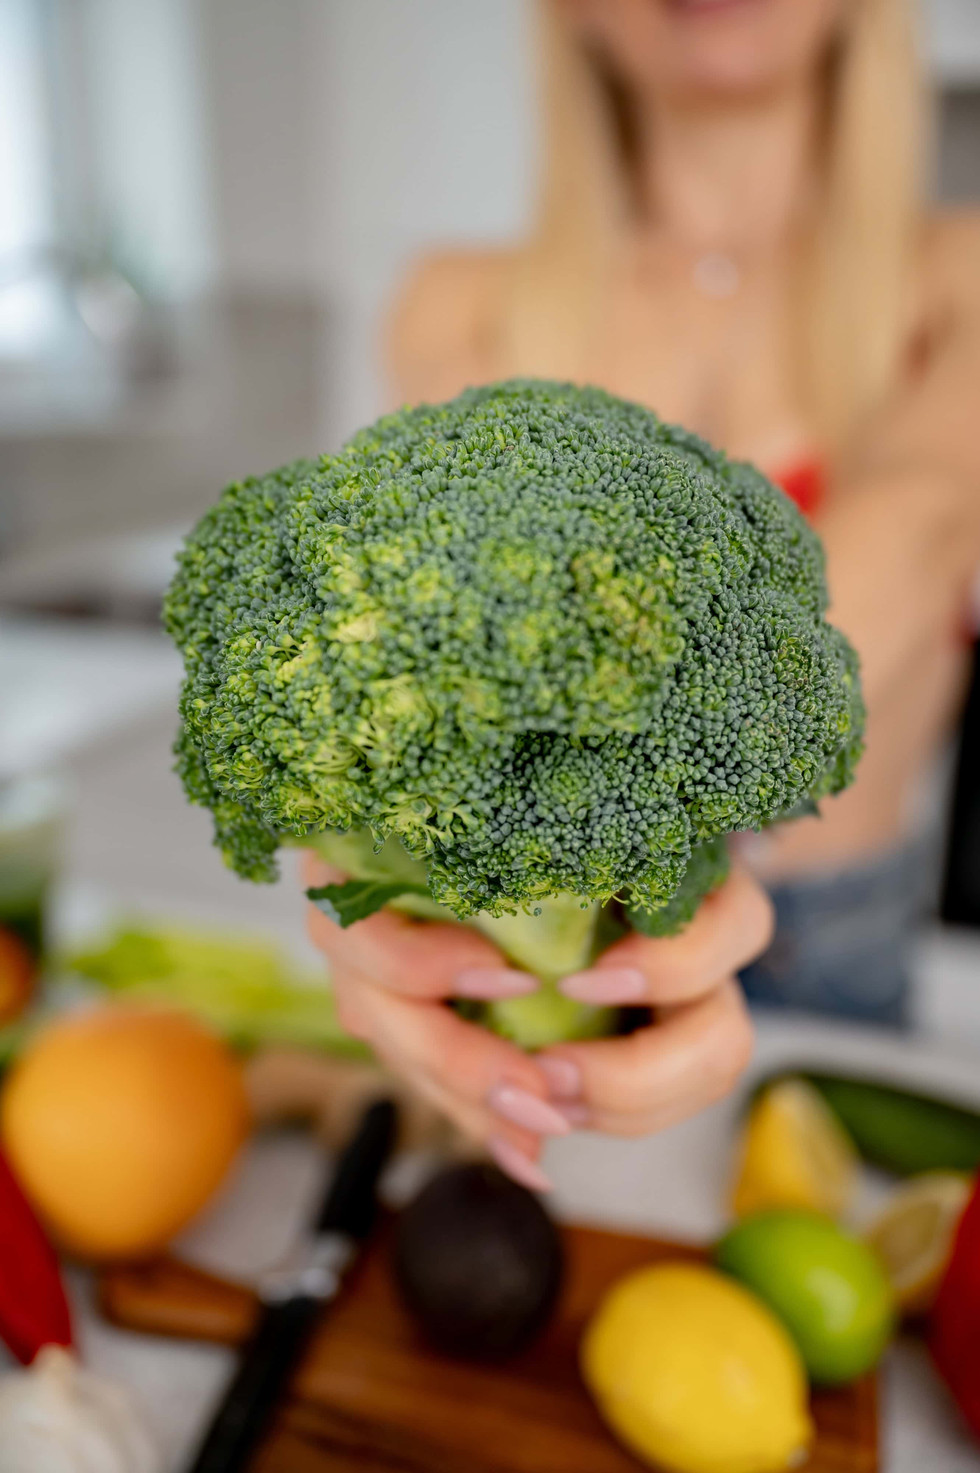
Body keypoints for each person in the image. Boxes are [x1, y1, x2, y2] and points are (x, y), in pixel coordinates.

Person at [307, 0, 980, 1187]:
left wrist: (649, 812)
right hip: (565, 939)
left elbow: (919, 524)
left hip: (837, 958)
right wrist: (361, 848)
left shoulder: (957, 275)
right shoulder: (459, 304)